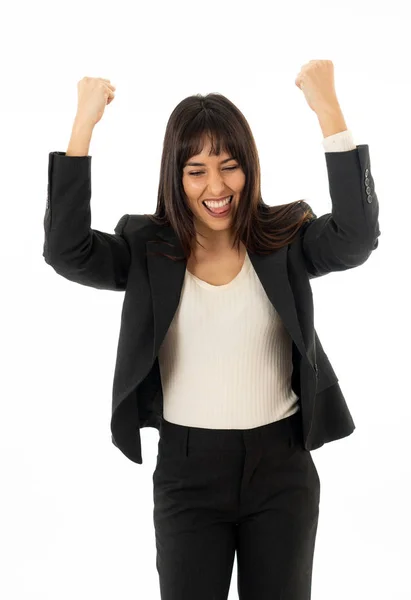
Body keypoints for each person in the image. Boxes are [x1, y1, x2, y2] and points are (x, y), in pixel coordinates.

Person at [43, 63, 380, 600]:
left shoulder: (285, 237)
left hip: (281, 469)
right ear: (175, 178)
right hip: (187, 472)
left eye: (229, 167)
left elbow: (357, 237)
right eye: (196, 170)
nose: (216, 187)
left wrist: (327, 110)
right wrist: (83, 126)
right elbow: (67, 252)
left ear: (250, 167)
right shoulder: (146, 245)